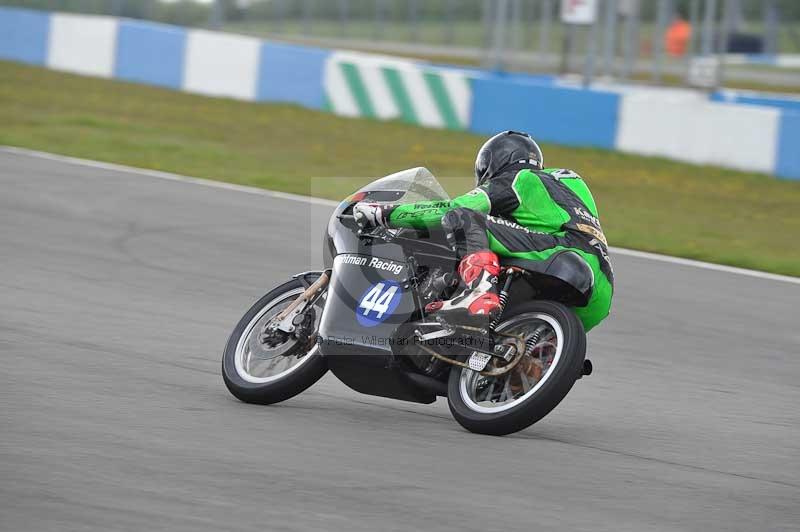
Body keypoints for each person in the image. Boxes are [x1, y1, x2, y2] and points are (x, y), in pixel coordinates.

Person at [353, 131, 614, 332]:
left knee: (463, 218)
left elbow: (455, 208)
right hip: (601, 288)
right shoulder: (567, 183)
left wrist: (387, 214)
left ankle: (477, 291)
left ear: (494, 163)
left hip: (557, 250)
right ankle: (529, 362)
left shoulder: (517, 179)